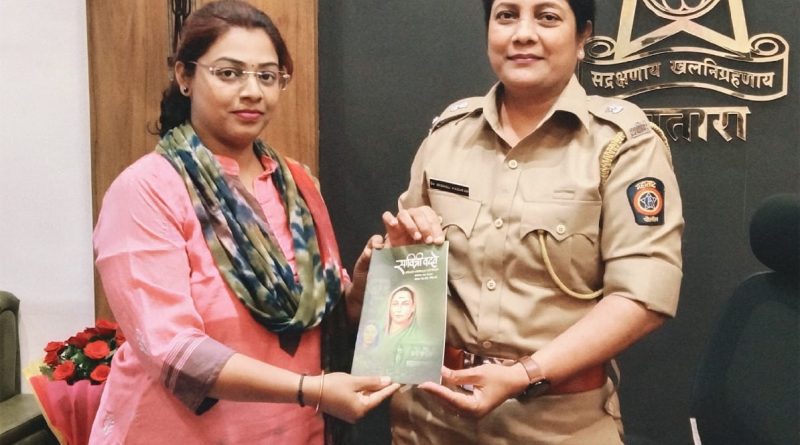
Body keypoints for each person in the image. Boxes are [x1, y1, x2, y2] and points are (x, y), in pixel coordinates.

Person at [89, 2, 398, 444]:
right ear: (184, 76)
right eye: (229, 73)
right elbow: (174, 351)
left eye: (267, 76)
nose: (252, 91)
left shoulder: (297, 184)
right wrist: (310, 390)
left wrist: (361, 292)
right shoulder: (146, 190)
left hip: (297, 432)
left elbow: (317, 320)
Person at [382, 0, 684, 443]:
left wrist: (524, 374)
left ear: (583, 37)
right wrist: (400, 254)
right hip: (431, 420)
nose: (523, 33)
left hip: (557, 426)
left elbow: (642, 298)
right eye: (507, 15)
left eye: (547, 17)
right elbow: (404, 282)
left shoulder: (621, 145)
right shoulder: (447, 135)